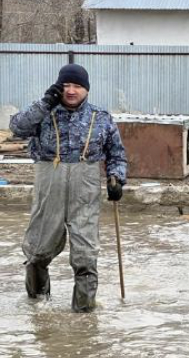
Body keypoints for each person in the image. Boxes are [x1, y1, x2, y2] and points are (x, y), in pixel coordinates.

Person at [9, 63, 127, 313]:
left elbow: (116, 154)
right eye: (67, 85)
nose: (71, 91)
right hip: (49, 187)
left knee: (85, 256)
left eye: (77, 86)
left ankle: (84, 317)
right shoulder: (44, 113)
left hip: (85, 191)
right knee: (37, 252)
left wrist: (116, 178)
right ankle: (38, 305)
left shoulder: (101, 117)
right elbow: (17, 127)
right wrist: (45, 103)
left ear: (86, 89)